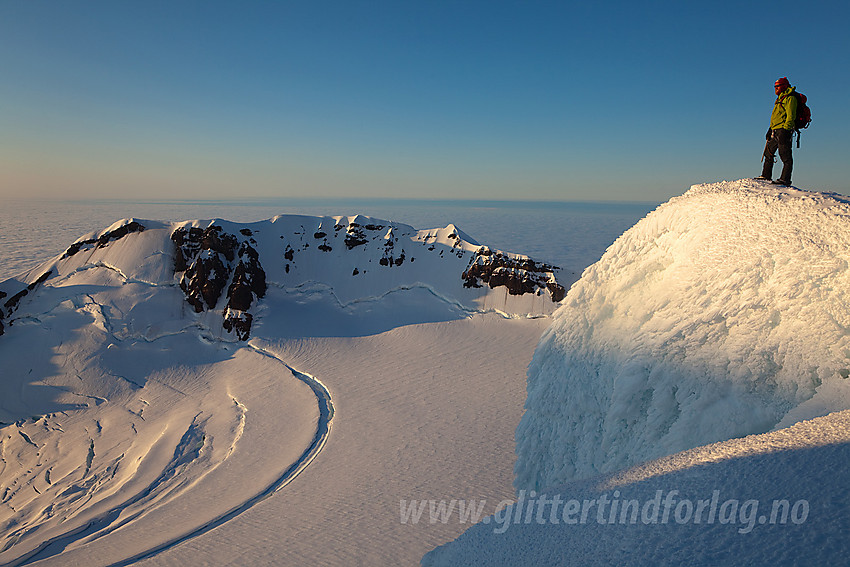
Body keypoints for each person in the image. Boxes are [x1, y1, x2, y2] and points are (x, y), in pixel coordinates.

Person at [755, 77, 797, 186]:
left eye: (777, 86)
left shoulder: (790, 98)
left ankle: (785, 179)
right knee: (768, 152)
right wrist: (770, 129)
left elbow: (791, 116)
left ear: (783, 86)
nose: (775, 89)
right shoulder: (780, 99)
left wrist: (786, 130)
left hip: (784, 130)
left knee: (785, 156)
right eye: (775, 87)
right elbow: (776, 116)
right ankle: (766, 176)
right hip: (775, 130)